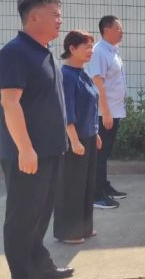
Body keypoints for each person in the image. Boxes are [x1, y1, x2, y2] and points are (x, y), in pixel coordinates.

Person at [0, 0, 72, 279]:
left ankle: (40, 264)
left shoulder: (43, 52)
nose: (60, 21)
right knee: (23, 218)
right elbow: (10, 103)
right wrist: (25, 150)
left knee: (40, 214)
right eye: (55, 15)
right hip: (28, 155)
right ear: (34, 16)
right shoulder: (14, 53)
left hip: (50, 151)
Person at [54, 30, 102, 244]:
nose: (91, 51)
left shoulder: (82, 73)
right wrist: (74, 140)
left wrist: (95, 133)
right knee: (72, 186)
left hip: (88, 136)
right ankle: (69, 232)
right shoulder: (67, 76)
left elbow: (90, 106)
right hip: (74, 138)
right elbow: (67, 111)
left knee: (87, 184)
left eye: (91, 46)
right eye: (86, 47)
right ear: (72, 49)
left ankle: (84, 228)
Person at [89, 15, 128, 209]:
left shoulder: (112, 51)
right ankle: (96, 195)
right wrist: (105, 111)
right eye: (118, 28)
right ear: (107, 30)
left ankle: (103, 186)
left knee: (104, 153)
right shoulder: (99, 52)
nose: (122, 32)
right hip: (104, 113)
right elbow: (97, 82)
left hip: (114, 111)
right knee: (100, 154)